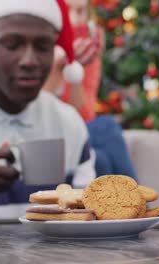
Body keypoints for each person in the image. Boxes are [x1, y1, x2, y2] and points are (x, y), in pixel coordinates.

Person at [0, 0, 96, 220]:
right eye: (12, 45)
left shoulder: (68, 124)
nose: (29, 61)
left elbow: (86, 222)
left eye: (43, 47)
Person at [43, 0, 137, 180]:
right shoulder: (36, 45)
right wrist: (56, 68)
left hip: (76, 132)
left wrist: (74, 68)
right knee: (106, 127)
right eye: (67, 10)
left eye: (80, 11)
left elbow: (83, 113)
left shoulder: (88, 49)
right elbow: (37, 110)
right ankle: (143, 207)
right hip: (48, 135)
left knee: (100, 161)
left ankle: (131, 207)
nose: (74, 19)